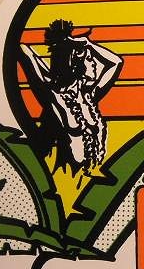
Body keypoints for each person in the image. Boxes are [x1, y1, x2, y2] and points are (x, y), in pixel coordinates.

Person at [19, 19, 122, 172]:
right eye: (88, 58)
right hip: (65, 178)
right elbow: (24, 51)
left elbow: (116, 62)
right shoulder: (54, 95)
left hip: (92, 178)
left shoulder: (89, 95)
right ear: (72, 61)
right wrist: (64, 44)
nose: (94, 63)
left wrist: (88, 44)